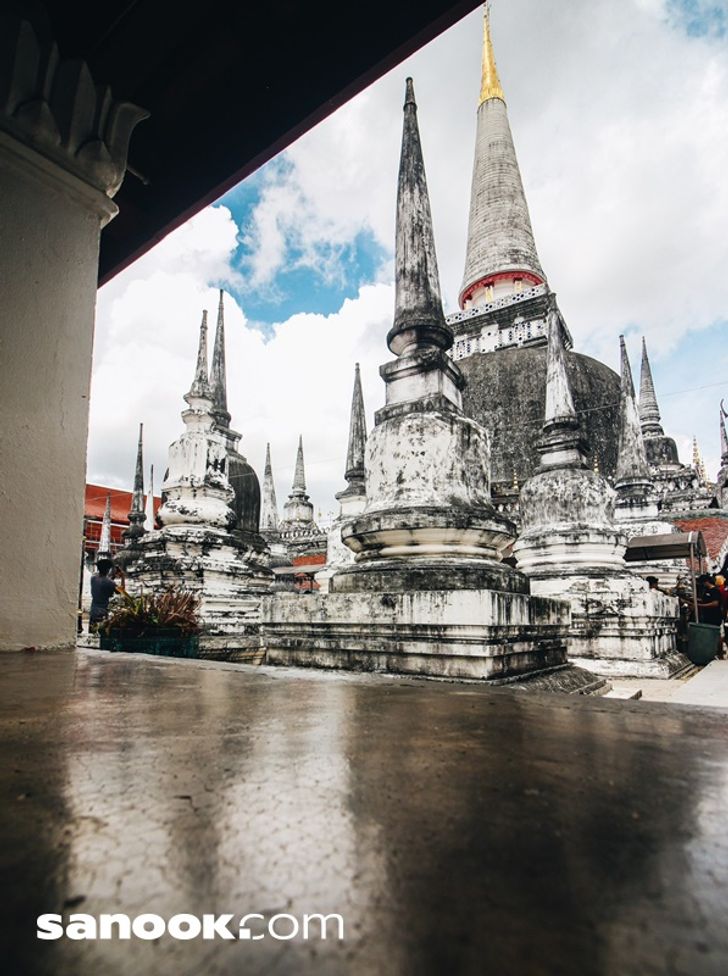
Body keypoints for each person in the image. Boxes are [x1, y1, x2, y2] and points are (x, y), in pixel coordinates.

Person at [89, 559, 125, 632]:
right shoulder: (110, 582)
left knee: (93, 634)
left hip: (93, 611)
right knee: (102, 634)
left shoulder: (93, 578)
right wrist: (123, 577)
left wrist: (113, 577)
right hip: (103, 612)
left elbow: (105, 583)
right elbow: (121, 591)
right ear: (108, 569)